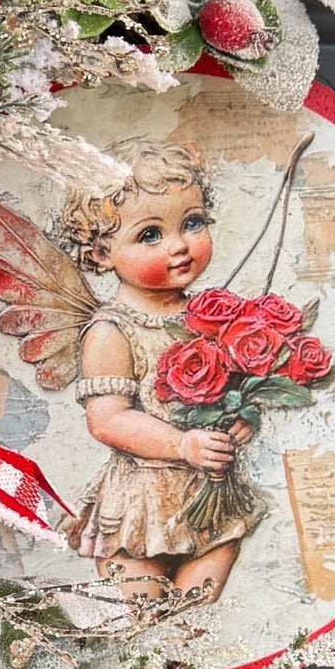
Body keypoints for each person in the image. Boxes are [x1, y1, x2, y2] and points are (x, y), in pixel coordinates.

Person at [58, 138, 252, 601]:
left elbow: (228, 392)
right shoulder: (110, 331)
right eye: (150, 235)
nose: (180, 246)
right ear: (103, 253)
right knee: (141, 622)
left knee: (188, 625)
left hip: (212, 500)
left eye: (192, 223)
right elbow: (107, 419)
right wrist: (183, 443)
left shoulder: (211, 318)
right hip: (138, 508)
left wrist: (239, 419)